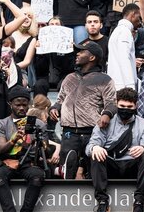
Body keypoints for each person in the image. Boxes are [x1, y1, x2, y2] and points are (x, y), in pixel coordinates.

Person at [50, 41, 116, 179]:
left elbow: (111, 103)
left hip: (92, 132)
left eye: (81, 51)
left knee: (93, 172)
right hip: (68, 132)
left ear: (92, 57)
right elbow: (60, 100)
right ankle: (67, 198)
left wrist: (107, 114)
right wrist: (55, 108)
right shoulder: (69, 78)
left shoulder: (105, 79)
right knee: (67, 171)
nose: (77, 54)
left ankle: (95, 198)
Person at [86, 87, 144, 212]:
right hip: (111, 165)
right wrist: (95, 148)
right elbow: (89, 147)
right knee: (95, 154)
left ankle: (139, 203)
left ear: (135, 106)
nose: (125, 109)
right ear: (116, 104)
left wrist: (143, 148)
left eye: (129, 106)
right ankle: (103, 202)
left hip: (131, 167)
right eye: (122, 106)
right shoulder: (105, 121)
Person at [0, 85, 48, 212]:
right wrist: (14, 139)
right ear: (10, 104)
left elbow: (46, 150)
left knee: (38, 176)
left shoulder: (39, 124)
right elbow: (0, 149)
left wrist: (40, 141)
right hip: (7, 161)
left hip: (28, 161)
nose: (22, 108)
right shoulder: (1, 124)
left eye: (25, 104)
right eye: (18, 104)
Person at [106, 3, 141, 90]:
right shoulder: (124, 31)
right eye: (139, 18)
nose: (140, 22)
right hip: (123, 86)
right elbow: (124, 59)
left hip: (118, 84)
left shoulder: (118, 30)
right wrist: (131, 86)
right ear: (133, 14)